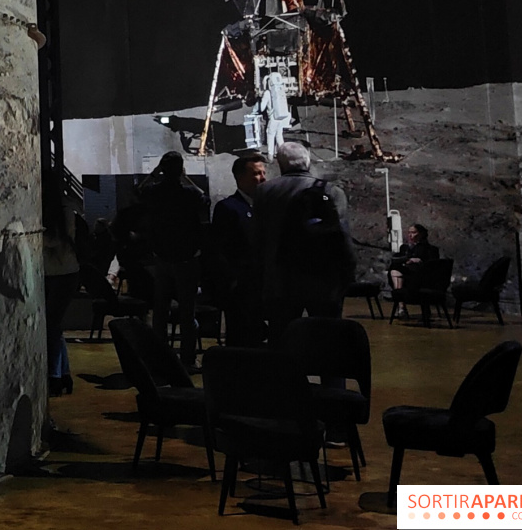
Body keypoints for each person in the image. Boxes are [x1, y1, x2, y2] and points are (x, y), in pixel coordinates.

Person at [252, 140, 355, 342]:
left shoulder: (265, 192)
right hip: (324, 279)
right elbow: (342, 237)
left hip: (282, 279)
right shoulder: (332, 192)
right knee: (328, 339)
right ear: (308, 162)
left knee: (282, 338)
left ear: (281, 164)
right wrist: (347, 274)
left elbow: (258, 239)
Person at [131, 151, 208, 366]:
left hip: (162, 257)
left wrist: (154, 174)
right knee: (187, 312)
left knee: (160, 311)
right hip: (186, 258)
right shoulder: (189, 193)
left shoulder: (154, 192)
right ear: (181, 169)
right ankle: (188, 359)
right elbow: (205, 199)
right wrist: (186, 178)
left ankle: (160, 358)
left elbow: (137, 192)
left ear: (162, 169)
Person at [206, 150, 268, 346]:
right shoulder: (228, 208)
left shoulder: (267, 207)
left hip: (265, 286)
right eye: (256, 173)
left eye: (263, 173)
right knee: (241, 339)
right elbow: (219, 250)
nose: (262, 178)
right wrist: (232, 284)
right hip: (241, 290)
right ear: (240, 178)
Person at [41, 169, 82, 397]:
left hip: (64, 273)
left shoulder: (64, 209)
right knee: (54, 326)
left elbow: (57, 240)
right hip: (54, 272)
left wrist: (33, 234)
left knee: (52, 326)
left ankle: (55, 376)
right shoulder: (56, 208)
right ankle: (63, 374)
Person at [388, 223, 440, 292]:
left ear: (421, 234)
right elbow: (397, 259)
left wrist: (419, 261)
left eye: (413, 232)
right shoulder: (404, 248)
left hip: (421, 276)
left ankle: (399, 294)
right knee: (395, 269)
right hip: (405, 273)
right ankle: (399, 294)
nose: (410, 235)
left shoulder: (430, 249)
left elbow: (433, 265)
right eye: (409, 233)